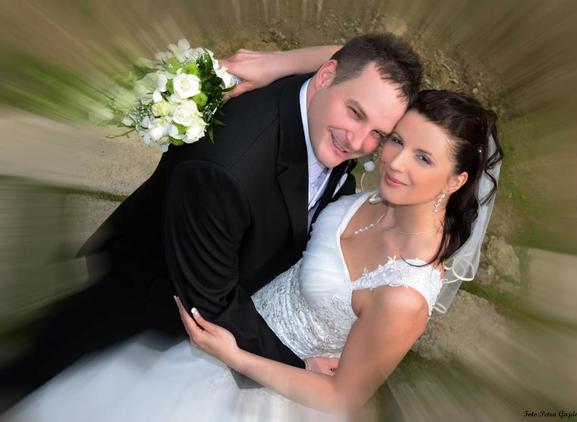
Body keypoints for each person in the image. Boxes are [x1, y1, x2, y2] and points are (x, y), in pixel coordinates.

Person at [3, 86, 503, 420]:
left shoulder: (404, 295)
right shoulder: (375, 199)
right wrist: (269, 66)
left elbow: (343, 398)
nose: (393, 162)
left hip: (265, 389)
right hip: (234, 328)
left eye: (423, 157)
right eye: (396, 140)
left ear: (456, 180)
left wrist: (235, 356)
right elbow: (359, 65)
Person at [0, 33, 422, 399]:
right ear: (326, 76)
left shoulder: (339, 101)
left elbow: (359, 60)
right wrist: (295, 368)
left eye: (378, 134)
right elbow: (211, 304)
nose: (358, 143)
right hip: (156, 291)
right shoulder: (226, 171)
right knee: (64, 363)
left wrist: (280, 61)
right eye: (355, 113)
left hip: (228, 272)